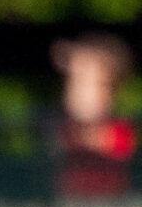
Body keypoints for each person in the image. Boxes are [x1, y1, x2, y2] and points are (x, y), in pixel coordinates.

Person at [55, 33, 135, 198]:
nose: (73, 90)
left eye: (84, 82)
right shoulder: (59, 128)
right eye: (72, 80)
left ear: (109, 90)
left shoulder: (120, 133)